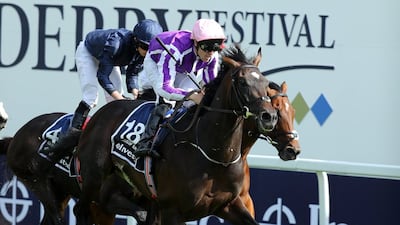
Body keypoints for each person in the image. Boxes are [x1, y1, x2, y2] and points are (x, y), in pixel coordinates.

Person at [40, 19, 163, 164]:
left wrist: (134, 92)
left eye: (151, 48)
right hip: (89, 53)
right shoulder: (116, 44)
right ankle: (70, 137)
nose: (147, 52)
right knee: (91, 96)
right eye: (145, 47)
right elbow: (102, 76)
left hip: (110, 60)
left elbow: (132, 73)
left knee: (116, 102)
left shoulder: (140, 50)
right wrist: (119, 97)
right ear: (136, 41)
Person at [134, 18, 226, 157]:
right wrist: (192, 95)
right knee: (167, 101)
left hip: (184, 67)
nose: (210, 53)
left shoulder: (212, 56)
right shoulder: (174, 49)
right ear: (195, 42)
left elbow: (211, 85)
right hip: (157, 62)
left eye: (215, 48)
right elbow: (165, 89)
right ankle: (145, 142)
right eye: (207, 48)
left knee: (192, 103)